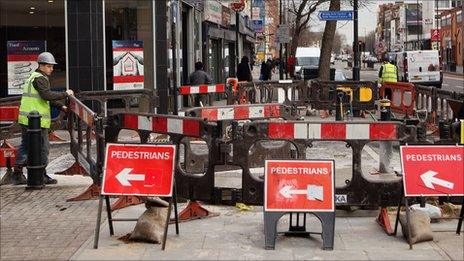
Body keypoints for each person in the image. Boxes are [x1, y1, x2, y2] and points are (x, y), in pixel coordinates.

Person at [12, 52, 74, 185]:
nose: (52, 69)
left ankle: (17, 174)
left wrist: (61, 107)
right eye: (49, 66)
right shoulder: (40, 78)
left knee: (26, 146)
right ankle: (41, 175)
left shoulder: (34, 76)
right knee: (43, 147)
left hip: (27, 119)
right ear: (42, 65)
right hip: (36, 121)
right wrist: (65, 94)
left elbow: (42, 98)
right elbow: (46, 95)